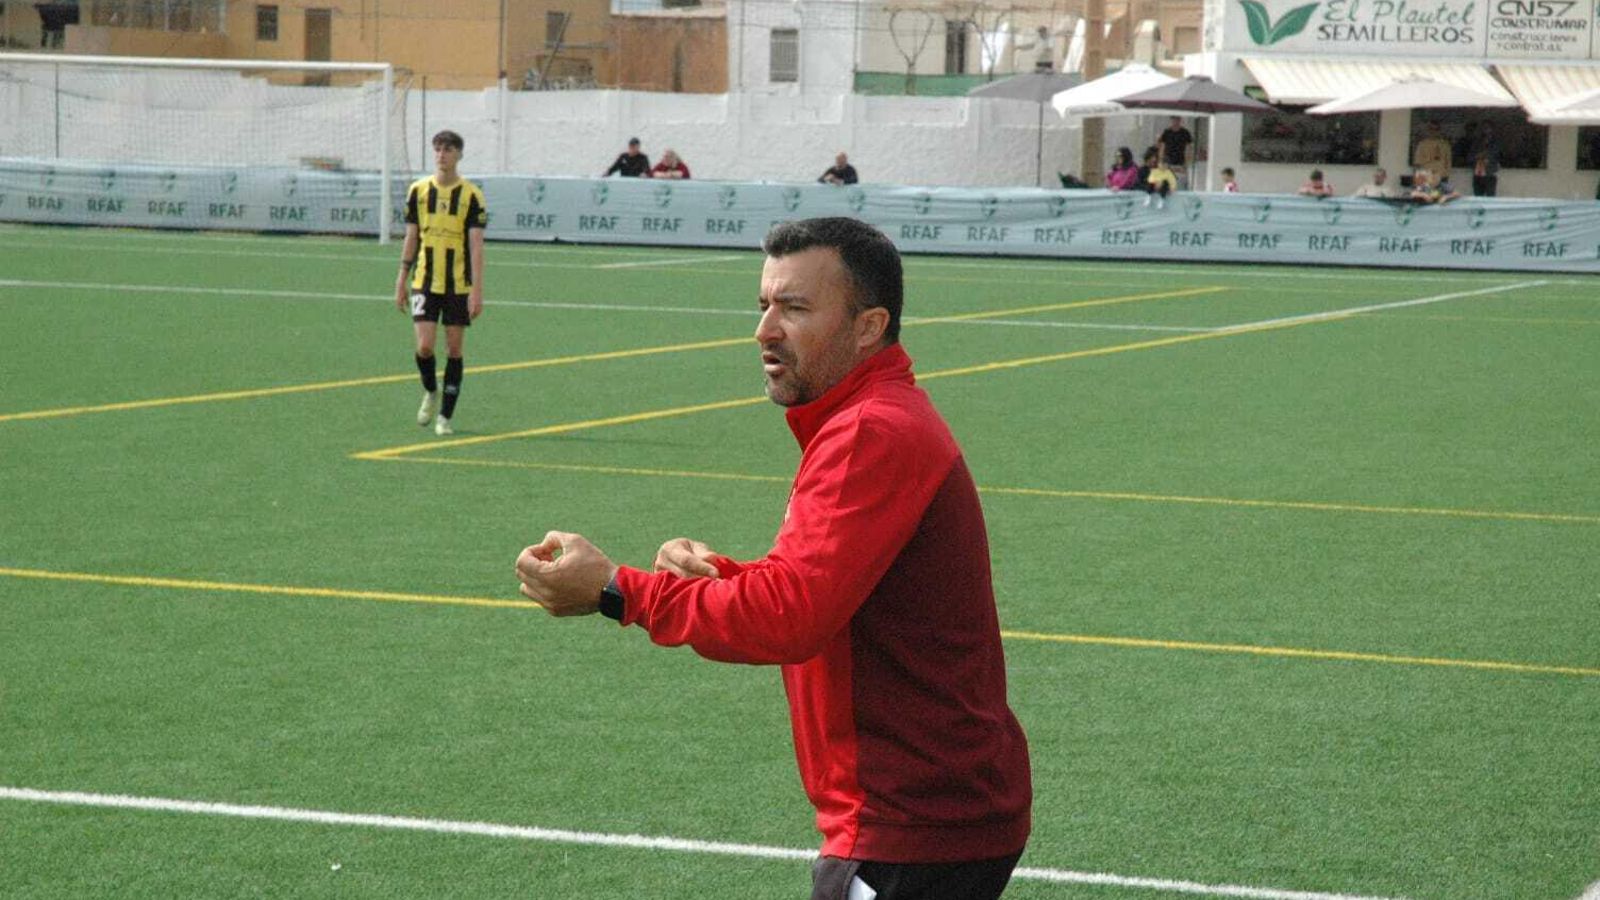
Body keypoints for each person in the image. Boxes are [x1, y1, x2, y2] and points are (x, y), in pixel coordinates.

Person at [514, 217, 1033, 900]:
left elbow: (789, 618)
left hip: (909, 824)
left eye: (794, 308)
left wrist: (617, 590)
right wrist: (726, 577)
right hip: (935, 815)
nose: (764, 330)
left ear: (869, 326)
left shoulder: (870, 430)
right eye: (763, 305)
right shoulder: (871, 417)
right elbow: (830, 590)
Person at [395, 129, 487, 436]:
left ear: (459, 154)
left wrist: (476, 291)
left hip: (457, 285)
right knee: (424, 346)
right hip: (424, 280)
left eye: (448, 149)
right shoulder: (418, 191)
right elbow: (411, 237)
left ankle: (445, 417)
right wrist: (401, 278)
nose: (441, 155)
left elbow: (476, 246)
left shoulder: (471, 195)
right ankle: (431, 390)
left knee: (454, 349)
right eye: (437, 149)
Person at [1157, 116, 1193, 189]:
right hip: (1167, 162)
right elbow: (1162, 147)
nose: (1175, 122)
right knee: (1167, 182)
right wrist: (1160, 161)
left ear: (1180, 120)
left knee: (1180, 182)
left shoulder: (1185, 133)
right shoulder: (1167, 132)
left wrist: (1186, 163)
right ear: (1171, 120)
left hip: (1180, 163)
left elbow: (1188, 148)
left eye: (1177, 120)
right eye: (1174, 120)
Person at [1470, 122, 1500, 197]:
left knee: (1490, 198)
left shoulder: (1495, 142)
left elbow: (1497, 155)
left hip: (1490, 174)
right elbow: (1470, 156)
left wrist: (1487, 157)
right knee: (1478, 197)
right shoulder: (1476, 142)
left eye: (1488, 127)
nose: (1486, 130)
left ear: (1492, 129)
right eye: (1484, 127)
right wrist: (1477, 156)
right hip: (1477, 174)